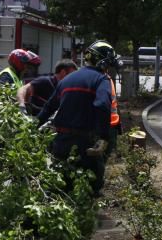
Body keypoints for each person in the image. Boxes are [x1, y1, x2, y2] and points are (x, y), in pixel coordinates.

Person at [37, 40, 116, 195]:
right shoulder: (101, 79)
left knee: (60, 184)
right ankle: (87, 216)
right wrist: (104, 137)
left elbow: (49, 107)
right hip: (84, 142)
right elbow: (101, 105)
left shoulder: (67, 79)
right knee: (92, 183)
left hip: (61, 140)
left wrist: (30, 127)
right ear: (103, 62)